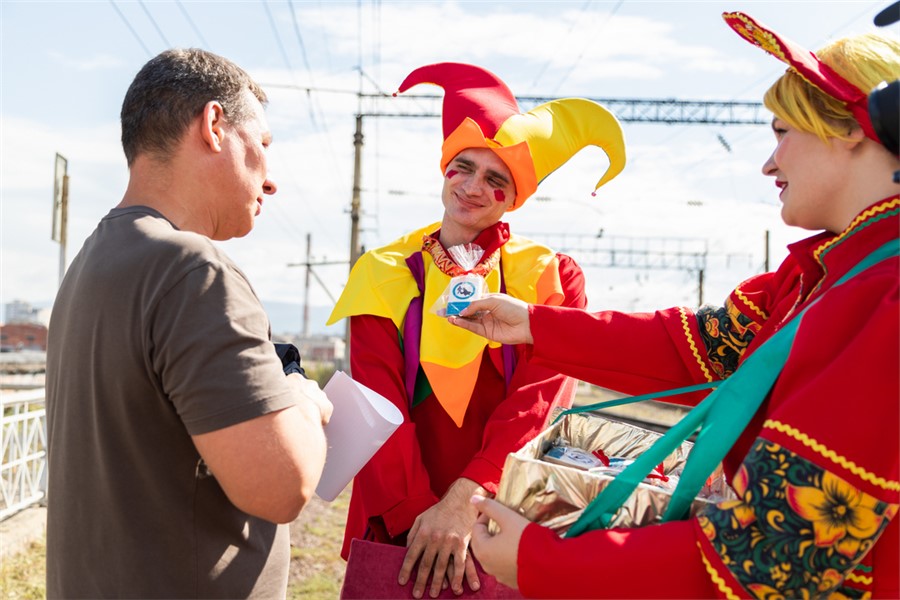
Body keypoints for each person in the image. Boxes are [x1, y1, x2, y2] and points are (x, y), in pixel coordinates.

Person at [450, 13, 900, 599]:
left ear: (851, 129)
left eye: (782, 131)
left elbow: (774, 554)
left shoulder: (880, 299)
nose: (770, 163)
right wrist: (534, 323)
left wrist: (543, 562)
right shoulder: (824, 274)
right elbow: (701, 346)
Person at [326, 62, 626, 598]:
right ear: (444, 170)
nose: (472, 188)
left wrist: (466, 505)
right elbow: (376, 402)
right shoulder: (383, 270)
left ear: (515, 197)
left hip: (500, 515)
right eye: (462, 168)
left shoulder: (553, 276)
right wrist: (422, 518)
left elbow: (539, 405)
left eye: (495, 179)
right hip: (400, 517)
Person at [44, 48, 333, 599]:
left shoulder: (90, 264)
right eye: (263, 143)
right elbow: (284, 485)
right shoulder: (194, 272)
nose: (270, 180)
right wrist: (303, 398)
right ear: (214, 126)